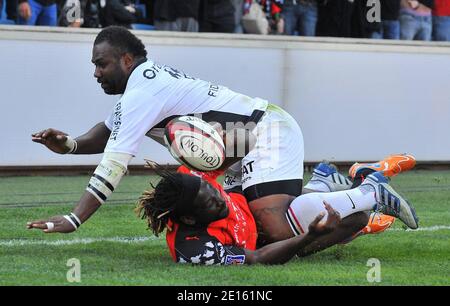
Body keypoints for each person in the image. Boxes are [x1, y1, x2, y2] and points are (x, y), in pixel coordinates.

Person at [27, 25, 304, 241]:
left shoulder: (143, 93)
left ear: (126, 60)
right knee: (251, 236)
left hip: (266, 131)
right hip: (240, 144)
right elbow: (108, 130)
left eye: (101, 64)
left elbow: (113, 164)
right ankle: (322, 192)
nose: (96, 73)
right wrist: (71, 145)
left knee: (277, 232)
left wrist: (74, 218)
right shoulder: (141, 86)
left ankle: (345, 203)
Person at [135, 157, 418, 265]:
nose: (218, 198)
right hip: (262, 231)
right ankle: (328, 184)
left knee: (277, 217)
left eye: (212, 189)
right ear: (188, 218)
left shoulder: (191, 179)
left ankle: (369, 191)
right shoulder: (196, 248)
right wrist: (308, 237)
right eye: (209, 203)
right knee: (352, 219)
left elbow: (229, 149)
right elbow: (256, 257)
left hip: (254, 198)